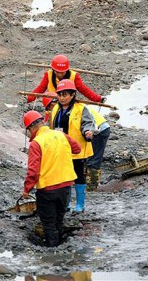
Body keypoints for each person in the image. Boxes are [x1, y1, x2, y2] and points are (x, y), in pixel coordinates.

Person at [22, 110, 80, 247]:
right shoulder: (61, 135)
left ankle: (52, 252)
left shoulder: (36, 143)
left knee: (48, 223)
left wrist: (26, 190)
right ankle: (60, 245)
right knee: (59, 219)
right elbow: (77, 148)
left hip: (47, 189)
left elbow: (33, 171)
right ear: (42, 122)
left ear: (30, 128)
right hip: (66, 186)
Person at [49, 79, 96, 213]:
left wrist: (87, 131)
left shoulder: (81, 109)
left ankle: (80, 204)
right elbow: (51, 126)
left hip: (76, 149)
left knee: (78, 175)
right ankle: (67, 202)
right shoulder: (56, 108)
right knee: (65, 176)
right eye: (60, 94)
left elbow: (88, 123)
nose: (62, 98)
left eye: (65, 95)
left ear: (73, 95)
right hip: (61, 148)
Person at [26, 54, 105, 103]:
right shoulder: (48, 74)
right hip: (52, 104)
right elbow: (40, 89)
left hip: (68, 105)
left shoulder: (74, 76)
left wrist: (98, 99)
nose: (60, 74)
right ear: (53, 69)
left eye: (62, 72)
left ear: (67, 70)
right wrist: (28, 98)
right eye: (57, 72)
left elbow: (84, 90)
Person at [85, 108, 111, 192]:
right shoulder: (73, 105)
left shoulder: (74, 109)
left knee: (93, 158)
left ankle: (92, 188)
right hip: (100, 127)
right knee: (87, 156)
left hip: (98, 130)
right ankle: (87, 182)